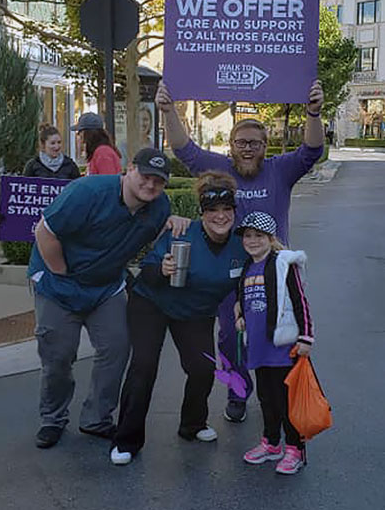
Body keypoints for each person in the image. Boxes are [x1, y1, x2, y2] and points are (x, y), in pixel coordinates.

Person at [155, 80, 324, 423]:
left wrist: (313, 112)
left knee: (279, 334)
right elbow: (183, 149)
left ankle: (281, 392)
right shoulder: (220, 169)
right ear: (231, 146)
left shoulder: (281, 170)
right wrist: (169, 110)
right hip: (229, 271)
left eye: (255, 143)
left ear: (266, 146)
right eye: (241, 142)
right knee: (232, 337)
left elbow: (311, 150)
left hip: (273, 272)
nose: (248, 149)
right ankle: (238, 391)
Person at [29, 148, 175, 450]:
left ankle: (96, 418)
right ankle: (53, 419)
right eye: (145, 176)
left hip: (107, 287)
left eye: (158, 181)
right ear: (129, 169)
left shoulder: (159, 207)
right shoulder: (87, 191)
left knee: (117, 347)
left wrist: (178, 221)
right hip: (59, 285)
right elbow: (45, 232)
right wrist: (63, 273)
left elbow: (158, 234)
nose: (150, 185)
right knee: (58, 356)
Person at [110, 171, 248, 465]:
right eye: (212, 211)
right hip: (152, 303)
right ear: (202, 213)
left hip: (196, 312)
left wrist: (243, 308)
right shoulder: (182, 232)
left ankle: (192, 424)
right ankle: (126, 440)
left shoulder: (241, 245)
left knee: (202, 369)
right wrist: (162, 269)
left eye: (226, 210)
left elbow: (254, 276)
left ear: (235, 211)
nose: (220, 217)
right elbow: (145, 270)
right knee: (144, 366)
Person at [234, 211, 314, 475]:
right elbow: (247, 301)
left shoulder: (282, 263)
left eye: (259, 236)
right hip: (258, 347)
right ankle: (271, 443)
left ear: (271, 238)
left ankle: (294, 449)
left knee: (286, 401)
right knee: (266, 398)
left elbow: (300, 300)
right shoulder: (247, 267)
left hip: (282, 348)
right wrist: (242, 317)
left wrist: (305, 336)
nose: (253, 241)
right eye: (248, 236)